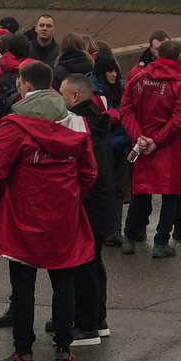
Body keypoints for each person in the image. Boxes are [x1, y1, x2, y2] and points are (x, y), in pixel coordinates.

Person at [0, 62, 99, 361]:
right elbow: (88, 172)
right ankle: (63, 350)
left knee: (23, 286)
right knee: (64, 282)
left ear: (24, 86)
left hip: (23, 213)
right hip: (63, 213)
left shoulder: (13, 126)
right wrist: (72, 198)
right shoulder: (75, 123)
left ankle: (24, 354)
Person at [59, 73, 127, 343]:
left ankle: (86, 325)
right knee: (94, 261)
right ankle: (98, 319)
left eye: (63, 94)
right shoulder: (99, 120)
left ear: (75, 96)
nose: (60, 99)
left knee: (84, 264)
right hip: (104, 198)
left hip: (88, 201)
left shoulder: (77, 123)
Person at [123, 38, 181, 255]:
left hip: (144, 142)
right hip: (170, 146)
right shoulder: (180, 84)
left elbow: (125, 108)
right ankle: (161, 241)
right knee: (171, 192)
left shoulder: (139, 78)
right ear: (179, 58)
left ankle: (129, 237)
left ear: (158, 56)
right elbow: (179, 119)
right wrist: (157, 141)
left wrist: (140, 136)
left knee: (140, 190)